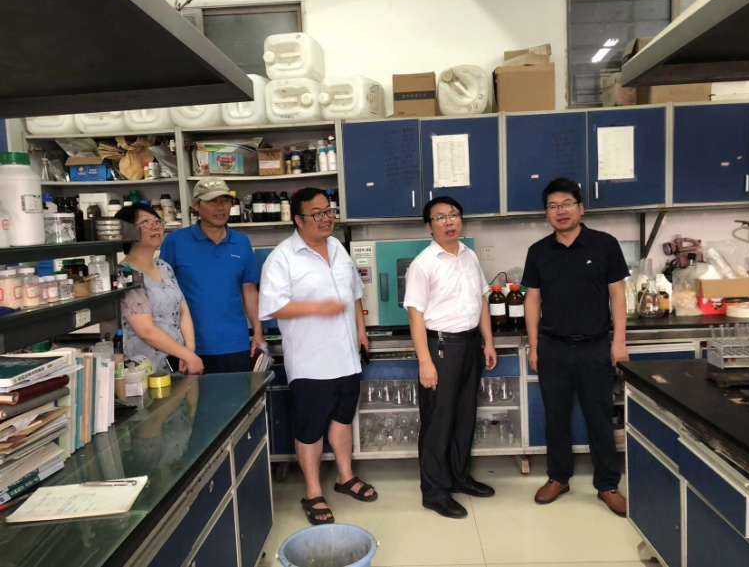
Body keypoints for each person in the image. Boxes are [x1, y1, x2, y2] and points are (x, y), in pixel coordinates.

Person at [258, 187, 376, 526]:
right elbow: (272, 306)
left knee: (342, 418)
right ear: (298, 219)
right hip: (311, 360)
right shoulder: (282, 257)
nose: (326, 219)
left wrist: (361, 330)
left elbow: (354, 292)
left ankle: (345, 476)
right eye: (318, 213)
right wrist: (317, 308)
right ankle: (312, 492)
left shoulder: (337, 247)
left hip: (346, 356)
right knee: (310, 429)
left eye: (329, 211)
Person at [522, 177, 629, 517]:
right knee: (555, 418)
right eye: (553, 206)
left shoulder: (605, 245)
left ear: (581, 208)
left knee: (599, 418)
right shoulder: (538, 251)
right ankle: (558, 477)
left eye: (567, 203)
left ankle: (608, 484)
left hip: (595, 348)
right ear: (546, 213)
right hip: (552, 348)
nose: (561, 211)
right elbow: (532, 300)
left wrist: (619, 342)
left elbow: (617, 294)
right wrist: (534, 346)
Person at [403, 196, 497, 519]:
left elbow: (481, 301)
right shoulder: (423, 264)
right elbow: (415, 316)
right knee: (438, 422)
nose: (449, 221)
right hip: (440, 348)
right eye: (440, 217)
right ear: (429, 226)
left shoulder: (469, 255)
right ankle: (434, 492)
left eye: (454, 215)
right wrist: (425, 361)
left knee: (464, 416)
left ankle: (459, 477)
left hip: (470, 345)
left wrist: (488, 342)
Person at [160, 178, 265, 374]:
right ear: (196, 205)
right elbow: (164, 293)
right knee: (192, 395)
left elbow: (250, 291)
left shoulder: (241, 243)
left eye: (225, 201)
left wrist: (258, 333)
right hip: (189, 347)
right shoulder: (175, 242)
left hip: (235, 345)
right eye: (212, 201)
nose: (220, 207)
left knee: (238, 394)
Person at [115, 204, 203, 376]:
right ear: (127, 231)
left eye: (157, 221)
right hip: (145, 370)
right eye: (145, 222)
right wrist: (187, 355)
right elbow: (146, 331)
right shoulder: (125, 274)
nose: (155, 227)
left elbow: (183, 310)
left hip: (178, 363)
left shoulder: (164, 267)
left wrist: (189, 351)